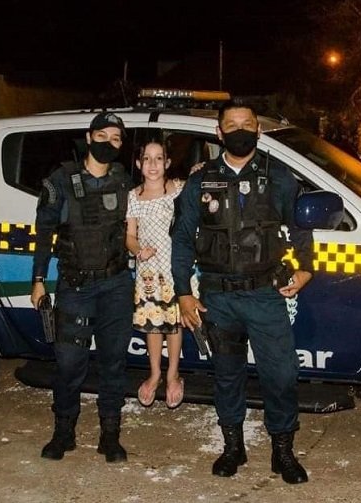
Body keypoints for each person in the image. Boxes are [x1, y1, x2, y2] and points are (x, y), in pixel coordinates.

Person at [171, 99, 315, 484]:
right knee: (227, 375)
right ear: (219, 133)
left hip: (266, 294)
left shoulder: (279, 177)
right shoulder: (201, 181)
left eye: (247, 124)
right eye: (231, 125)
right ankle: (233, 446)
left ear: (258, 130)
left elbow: (301, 227)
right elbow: (182, 238)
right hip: (218, 297)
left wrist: (305, 267)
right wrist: (183, 292)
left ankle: (283, 451)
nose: (239, 130)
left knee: (281, 375)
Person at [30, 111, 134, 463]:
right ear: (89, 138)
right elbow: (44, 233)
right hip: (76, 287)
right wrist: (38, 280)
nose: (109, 143)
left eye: (116, 139)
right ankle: (64, 433)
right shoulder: (61, 181)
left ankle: (110, 436)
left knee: (113, 362)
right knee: (69, 364)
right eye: (102, 136)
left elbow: (157, 194)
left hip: (116, 285)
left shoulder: (123, 180)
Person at [125, 138, 185, 409]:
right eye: (146, 159)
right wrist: (139, 251)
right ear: (139, 164)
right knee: (153, 322)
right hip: (148, 272)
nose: (152, 164)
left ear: (167, 163)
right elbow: (130, 236)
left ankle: (173, 375)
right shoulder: (133, 197)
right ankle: (154, 373)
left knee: (173, 323)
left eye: (158, 158)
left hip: (174, 270)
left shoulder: (178, 190)